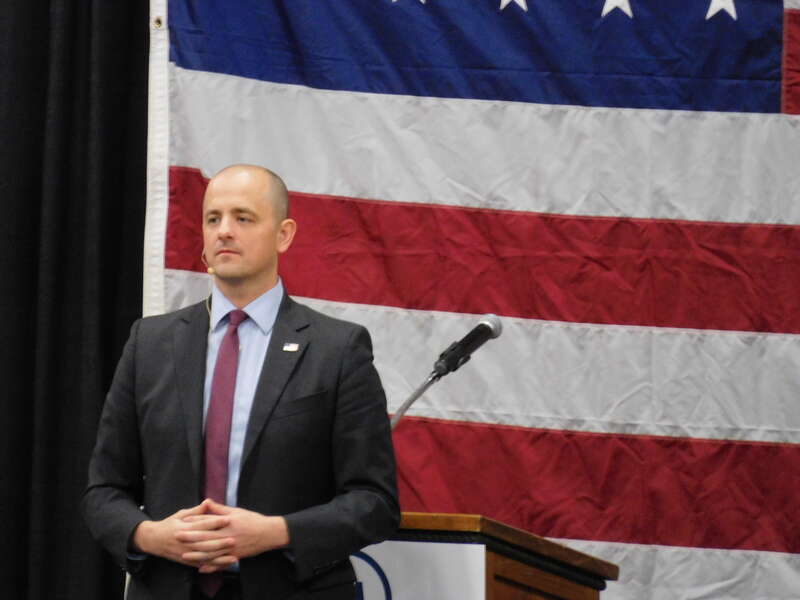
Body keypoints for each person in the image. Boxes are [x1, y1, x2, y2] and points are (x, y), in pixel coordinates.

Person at [82, 164, 400, 600]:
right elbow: (104, 491)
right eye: (213, 219)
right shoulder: (150, 343)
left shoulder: (337, 349)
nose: (224, 231)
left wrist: (276, 531)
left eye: (243, 218)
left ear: (284, 235)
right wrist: (149, 536)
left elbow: (374, 502)